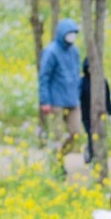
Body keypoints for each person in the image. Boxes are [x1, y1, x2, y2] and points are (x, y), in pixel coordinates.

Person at [38, 18, 82, 178]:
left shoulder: (74, 51)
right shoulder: (51, 51)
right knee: (56, 137)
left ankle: (59, 157)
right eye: (69, 34)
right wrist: (45, 101)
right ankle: (55, 167)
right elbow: (44, 77)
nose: (72, 37)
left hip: (72, 100)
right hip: (55, 101)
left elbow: (76, 75)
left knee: (75, 133)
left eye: (74, 34)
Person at [79, 57, 111, 165]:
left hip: (100, 114)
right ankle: (91, 156)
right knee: (91, 135)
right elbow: (78, 99)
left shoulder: (102, 81)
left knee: (99, 135)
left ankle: (96, 156)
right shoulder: (82, 82)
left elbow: (107, 98)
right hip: (85, 115)